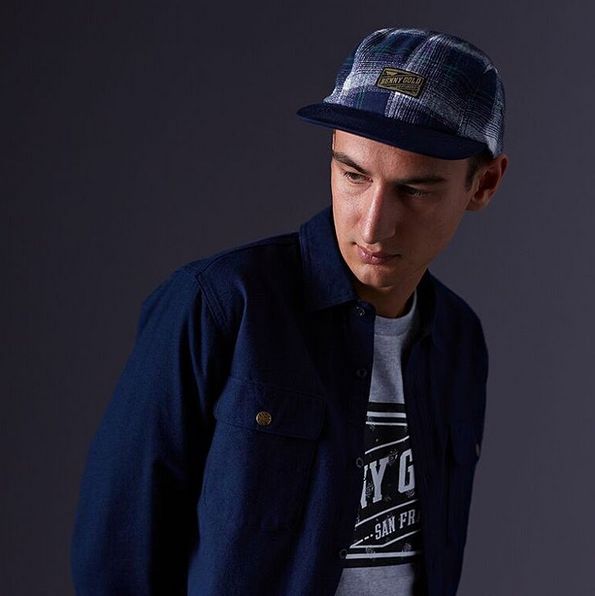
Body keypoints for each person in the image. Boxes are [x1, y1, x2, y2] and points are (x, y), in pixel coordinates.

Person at [71, 27, 508, 596]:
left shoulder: (460, 341)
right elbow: (117, 554)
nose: (373, 224)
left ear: (484, 184)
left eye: (414, 191)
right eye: (353, 175)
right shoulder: (219, 305)